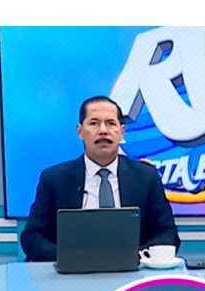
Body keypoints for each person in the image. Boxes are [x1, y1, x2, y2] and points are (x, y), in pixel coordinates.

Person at [20, 96, 180, 261]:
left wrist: (133, 257)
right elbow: (32, 238)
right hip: (72, 270)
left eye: (111, 123)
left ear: (121, 132)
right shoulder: (55, 179)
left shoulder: (146, 177)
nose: (103, 130)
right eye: (94, 123)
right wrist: (73, 258)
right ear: (80, 131)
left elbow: (168, 235)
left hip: (132, 269)